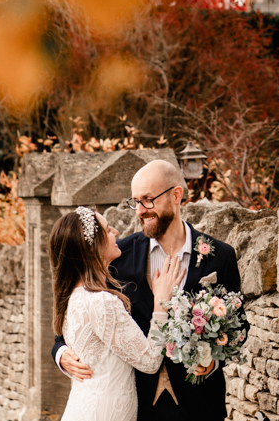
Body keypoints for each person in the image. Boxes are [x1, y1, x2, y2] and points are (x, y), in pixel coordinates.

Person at [52, 160, 245, 421]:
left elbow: (237, 326)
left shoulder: (219, 256)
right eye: (135, 201)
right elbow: (80, 317)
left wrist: (211, 361)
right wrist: (61, 354)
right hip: (137, 406)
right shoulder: (118, 256)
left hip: (198, 405)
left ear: (176, 195)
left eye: (148, 200)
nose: (140, 210)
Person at [50, 205, 185, 421]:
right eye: (108, 229)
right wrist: (161, 304)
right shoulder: (102, 301)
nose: (116, 232)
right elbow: (150, 362)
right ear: (92, 246)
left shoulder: (72, 297)